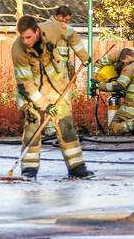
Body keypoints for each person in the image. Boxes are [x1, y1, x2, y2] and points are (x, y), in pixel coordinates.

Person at [11, 15, 92, 180]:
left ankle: (77, 168)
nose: (25, 41)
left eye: (28, 37)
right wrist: (44, 105)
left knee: (66, 128)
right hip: (31, 95)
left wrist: (83, 55)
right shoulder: (18, 50)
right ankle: (29, 170)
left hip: (57, 89)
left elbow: (72, 35)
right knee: (32, 131)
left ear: (37, 31)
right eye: (22, 37)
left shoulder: (54, 29)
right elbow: (26, 84)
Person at [95, 47, 134, 134]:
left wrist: (100, 85)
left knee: (113, 128)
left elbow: (119, 86)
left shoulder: (130, 68)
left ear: (127, 57)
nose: (123, 63)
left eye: (123, 61)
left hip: (132, 107)